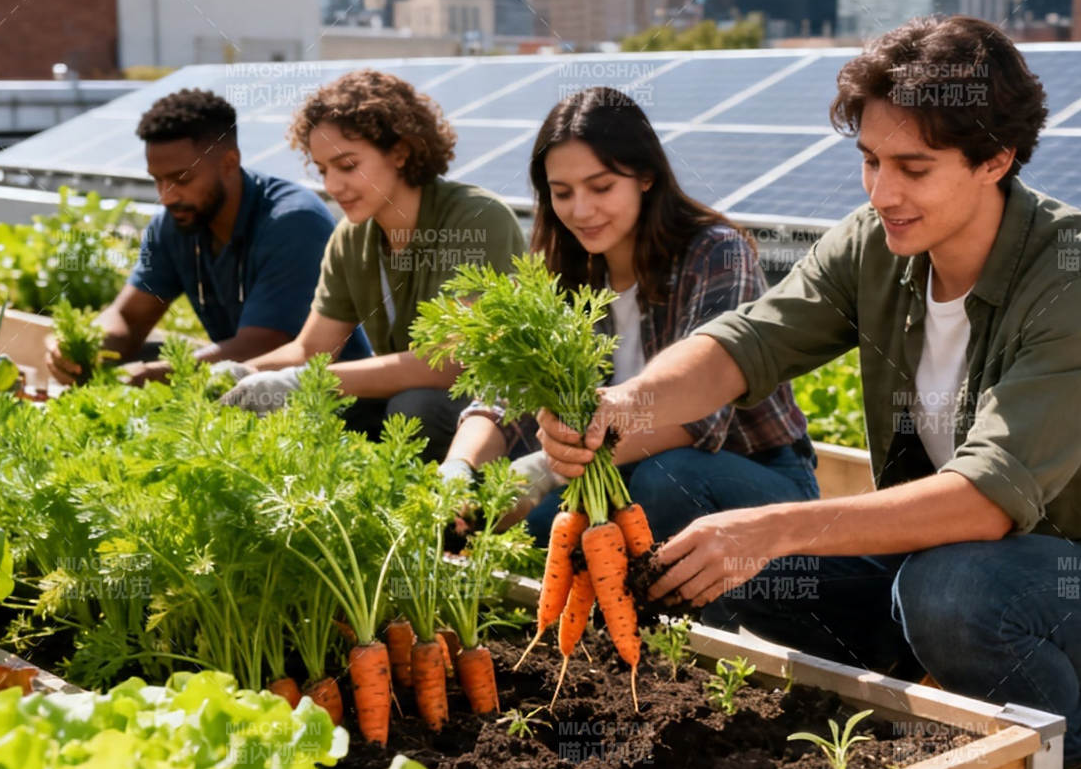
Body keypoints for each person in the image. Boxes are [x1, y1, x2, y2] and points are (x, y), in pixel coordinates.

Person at [534, 17, 1081, 769]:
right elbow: (747, 343)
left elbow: (987, 498)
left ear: (995, 159)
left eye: (912, 168)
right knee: (685, 500)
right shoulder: (878, 245)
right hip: (934, 556)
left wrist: (775, 528)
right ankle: (911, 690)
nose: (880, 192)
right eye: (870, 161)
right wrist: (623, 407)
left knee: (950, 593)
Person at [440, 86, 818, 544]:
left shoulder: (717, 254)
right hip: (616, 472)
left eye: (601, 187)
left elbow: (699, 420)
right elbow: (502, 398)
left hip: (753, 475)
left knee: (666, 480)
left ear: (645, 176)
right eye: (562, 193)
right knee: (541, 533)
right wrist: (458, 469)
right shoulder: (560, 267)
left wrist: (543, 469)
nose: (581, 210)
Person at [219, 70, 524, 462]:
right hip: (407, 399)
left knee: (415, 409)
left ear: (400, 151)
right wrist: (241, 373)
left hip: (493, 414)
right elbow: (313, 349)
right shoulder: (351, 238)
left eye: (347, 166)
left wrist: (306, 381)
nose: (331, 185)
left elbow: (450, 364)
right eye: (323, 169)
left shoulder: (477, 219)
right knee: (315, 411)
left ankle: (451, 512)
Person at [45, 88, 367, 386]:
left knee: (155, 367)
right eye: (157, 180)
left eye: (181, 179)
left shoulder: (292, 221)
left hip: (320, 395)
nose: (167, 196)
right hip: (234, 383)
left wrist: (155, 375)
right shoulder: (174, 224)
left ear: (229, 163)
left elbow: (262, 343)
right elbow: (128, 318)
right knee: (137, 356)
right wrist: (83, 344)